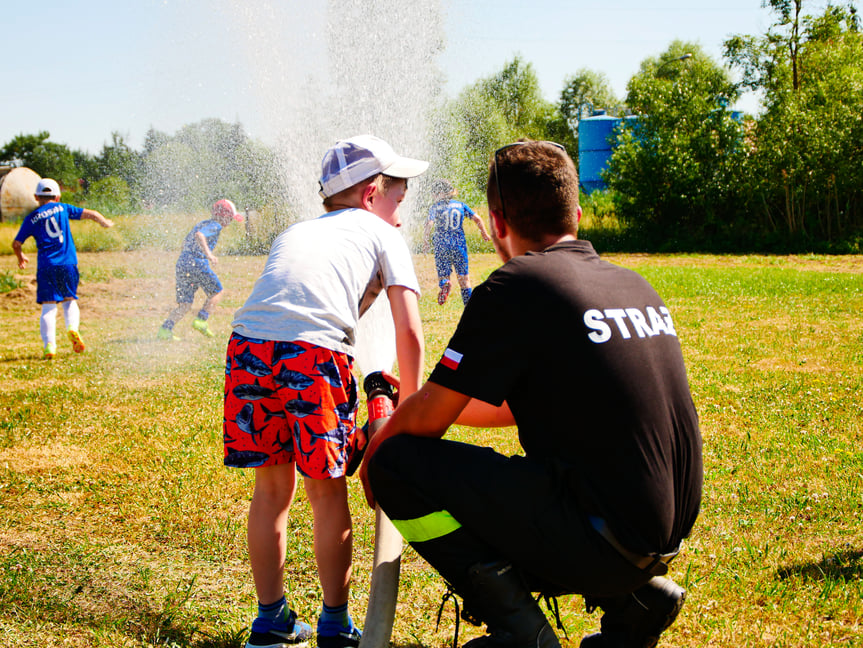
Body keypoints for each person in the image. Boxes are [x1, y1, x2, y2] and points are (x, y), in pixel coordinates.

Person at [361, 140, 703, 648]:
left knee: (397, 465)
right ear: (578, 215)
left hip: (600, 541)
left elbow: (427, 423)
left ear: (497, 223)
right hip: (658, 542)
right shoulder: (632, 285)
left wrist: (377, 449)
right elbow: (506, 407)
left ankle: (525, 635)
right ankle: (638, 598)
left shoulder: (516, 284)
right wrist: (422, 402)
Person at [223, 135, 427, 648]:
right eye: (398, 202)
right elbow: (409, 332)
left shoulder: (298, 231)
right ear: (372, 194)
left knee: (271, 491)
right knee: (326, 488)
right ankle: (334, 624)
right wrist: (411, 413)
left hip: (247, 348)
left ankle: (270, 621)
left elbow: (304, 302)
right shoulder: (382, 233)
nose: (400, 216)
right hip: (314, 358)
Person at [12, 178, 114, 359]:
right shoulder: (64, 208)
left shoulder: (32, 218)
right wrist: (104, 222)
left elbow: (16, 243)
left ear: (37, 197)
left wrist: (21, 257)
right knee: (70, 300)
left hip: (46, 266)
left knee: (48, 307)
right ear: (57, 196)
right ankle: (72, 329)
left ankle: (49, 346)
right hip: (68, 263)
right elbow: (91, 213)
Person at [157, 199, 243, 340]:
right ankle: (201, 320)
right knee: (217, 291)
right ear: (224, 216)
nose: (230, 222)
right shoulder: (215, 225)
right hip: (197, 262)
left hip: (183, 262)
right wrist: (209, 254)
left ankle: (165, 330)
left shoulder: (201, 223)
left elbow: (185, 242)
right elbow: (199, 236)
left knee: (185, 303)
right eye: (230, 218)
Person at [424, 179, 491, 306]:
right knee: (464, 280)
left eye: (434, 193)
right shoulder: (460, 205)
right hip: (459, 245)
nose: (432, 196)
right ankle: (468, 307)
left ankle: (445, 284)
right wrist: (484, 233)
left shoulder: (435, 207)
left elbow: (429, 224)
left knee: (443, 275)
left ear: (440, 193)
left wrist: (425, 240)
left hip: (441, 245)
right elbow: (477, 218)